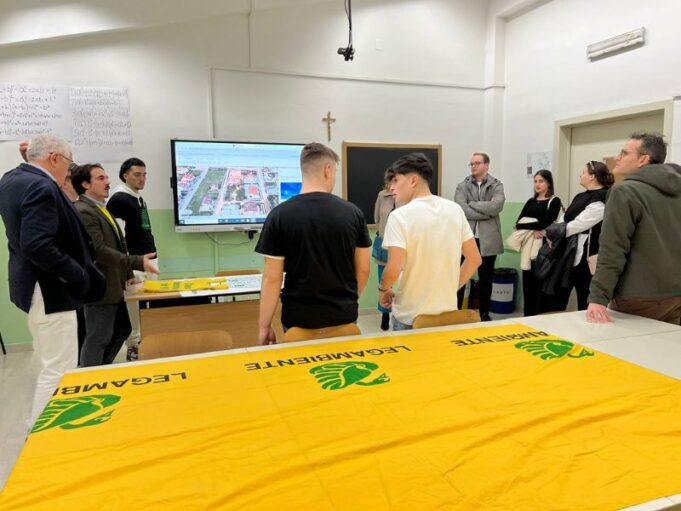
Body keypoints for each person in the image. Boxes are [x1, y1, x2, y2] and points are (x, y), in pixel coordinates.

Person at [0, 134, 104, 428]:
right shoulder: (41, 186)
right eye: (68, 164)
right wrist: (77, 274)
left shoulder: (11, 179)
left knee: (46, 359)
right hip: (52, 290)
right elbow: (37, 244)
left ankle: (35, 425)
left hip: (29, 286)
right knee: (59, 369)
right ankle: (43, 435)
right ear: (54, 158)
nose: (69, 172)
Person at [255, 142, 372, 344]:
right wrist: (350, 300)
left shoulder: (279, 215)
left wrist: (264, 326)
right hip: (343, 316)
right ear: (328, 170)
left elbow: (272, 278)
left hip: (298, 319)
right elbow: (363, 269)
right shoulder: (353, 213)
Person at [379, 153, 481, 330]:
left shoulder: (399, 216)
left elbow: (394, 268)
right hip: (447, 314)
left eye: (395, 180)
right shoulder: (454, 210)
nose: (391, 187)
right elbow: (474, 259)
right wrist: (450, 288)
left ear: (413, 180)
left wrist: (383, 289)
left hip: (410, 318)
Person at [587, 132, 681, 325]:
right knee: (665, 345)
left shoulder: (624, 191)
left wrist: (598, 296)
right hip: (675, 295)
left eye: (624, 153)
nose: (617, 158)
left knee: (626, 345)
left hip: (637, 297)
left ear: (643, 159)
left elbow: (613, 248)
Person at [71, 164, 159, 366]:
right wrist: (136, 262)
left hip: (114, 283)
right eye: (101, 178)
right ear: (85, 184)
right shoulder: (84, 211)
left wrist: (128, 273)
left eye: (107, 177)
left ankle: (102, 367)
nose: (108, 182)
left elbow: (119, 243)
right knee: (98, 336)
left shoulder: (100, 208)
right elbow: (99, 250)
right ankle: (90, 375)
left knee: (122, 328)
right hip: (100, 286)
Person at [106, 157, 158, 361]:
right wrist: (127, 269)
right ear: (125, 175)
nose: (142, 178)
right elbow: (117, 237)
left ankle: (150, 344)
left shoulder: (138, 197)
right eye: (137, 174)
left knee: (150, 307)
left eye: (144, 174)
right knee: (134, 309)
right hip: (134, 263)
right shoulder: (119, 199)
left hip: (149, 260)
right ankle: (134, 347)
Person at [546, 161, 613, 311]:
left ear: (592, 176)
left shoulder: (602, 197)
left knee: (585, 298)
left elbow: (579, 224)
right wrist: (555, 232)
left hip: (587, 257)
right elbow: (564, 218)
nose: (580, 175)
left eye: (583, 172)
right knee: (558, 298)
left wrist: (555, 233)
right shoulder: (580, 196)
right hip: (568, 255)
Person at [454, 152, 505, 321]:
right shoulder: (463, 185)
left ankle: (484, 313)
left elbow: (496, 207)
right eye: (471, 163)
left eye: (477, 163)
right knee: (460, 277)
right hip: (466, 238)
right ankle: (456, 311)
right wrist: (486, 211)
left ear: (486, 165)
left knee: (486, 279)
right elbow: (460, 208)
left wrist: (473, 204)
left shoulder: (496, 185)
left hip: (488, 239)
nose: (473, 166)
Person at [511, 170, 562, 316]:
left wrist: (526, 227)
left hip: (544, 248)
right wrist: (532, 230)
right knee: (528, 283)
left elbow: (546, 223)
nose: (537, 184)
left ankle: (539, 317)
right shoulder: (531, 201)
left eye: (541, 181)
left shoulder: (554, 201)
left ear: (548, 183)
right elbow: (518, 222)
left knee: (541, 284)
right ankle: (527, 316)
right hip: (528, 247)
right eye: (535, 181)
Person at [372, 168, 396, 331]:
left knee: (404, 280)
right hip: (384, 243)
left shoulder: (408, 197)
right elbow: (376, 218)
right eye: (391, 180)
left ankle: (402, 313)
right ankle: (385, 314)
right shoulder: (382, 195)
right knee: (384, 280)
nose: (393, 183)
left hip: (403, 245)